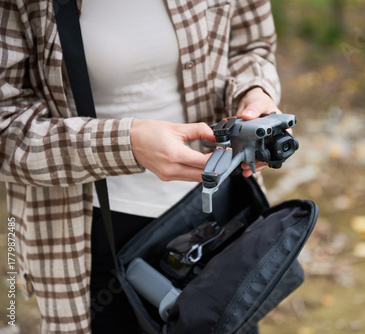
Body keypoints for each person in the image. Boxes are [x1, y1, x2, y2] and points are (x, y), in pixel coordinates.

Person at [0, 0, 281, 332]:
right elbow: (6, 126)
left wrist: (254, 94)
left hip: (224, 214)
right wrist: (127, 144)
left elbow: (250, 46)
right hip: (97, 232)